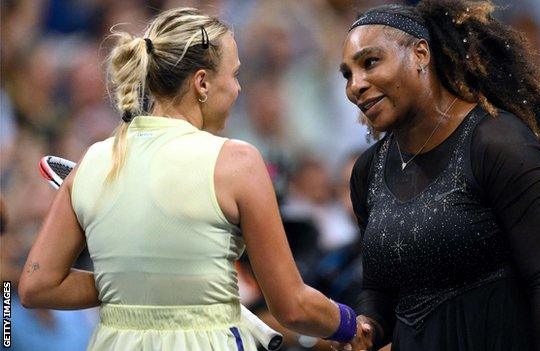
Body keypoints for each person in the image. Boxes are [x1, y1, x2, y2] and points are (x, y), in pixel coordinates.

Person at [18, 7, 368, 351]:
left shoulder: (93, 160)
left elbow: (37, 285)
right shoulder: (238, 162)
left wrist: (131, 282)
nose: (238, 89)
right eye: (234, 75)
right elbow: (292, 305)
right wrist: (350, 323)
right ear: (202, 83)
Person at [338, 1, 540, 350]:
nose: (355, 86)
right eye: (347, 74)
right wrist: (367, 326)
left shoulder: (499, 143)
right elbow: (379, 290)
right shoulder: (368, 171)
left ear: (421, 54)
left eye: (370, 62)